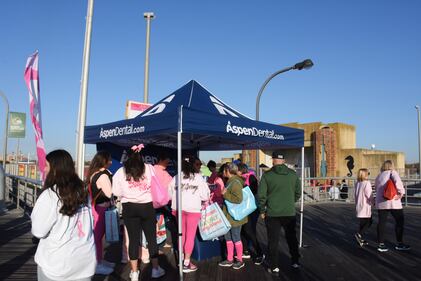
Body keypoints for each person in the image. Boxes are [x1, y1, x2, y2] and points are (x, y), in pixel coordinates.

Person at [31, 149, 96, 281]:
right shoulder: (83, 192)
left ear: (56, 169)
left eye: (47, 166)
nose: (44, 170)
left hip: (57, 265)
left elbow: (38, 232)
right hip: (84, 262)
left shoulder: (50, 195)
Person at [112, 144, 165, 281]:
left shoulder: (121, 171)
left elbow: (116, 192)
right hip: (147, 207)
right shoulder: (149, 168)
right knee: (152, 239)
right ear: (141, 156)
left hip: (129, 208)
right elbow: (156, 184)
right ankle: (155, 269)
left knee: (133, 240)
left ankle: (134, 272)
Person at [258, 150, 301, 277]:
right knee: (291, 238)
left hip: (272, 213)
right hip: (289, 212)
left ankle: (274, 266)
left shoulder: (267, 175)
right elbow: (298, 193)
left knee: (273, 241)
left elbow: (261, 196)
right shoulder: (293, 174)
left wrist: (262, 210)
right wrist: (289, 201)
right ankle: (295, 261)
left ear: (273, 160)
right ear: (283, 161)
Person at [169, 156, 210, 273]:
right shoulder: (198, 178)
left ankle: (182, 259)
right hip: (192, 209)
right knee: (190, 236)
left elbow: (169, 192)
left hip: (178, 209)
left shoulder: (176, 177)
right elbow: (205, 195)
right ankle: (186, 262)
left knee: (181, 234)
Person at [85, 151, 115, 275]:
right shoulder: (103, 175)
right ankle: (97, 264)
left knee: (97, 237)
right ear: (104, 161)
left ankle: (99, 260)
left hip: (95, 208)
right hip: (102, 209)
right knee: (98, 238)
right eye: (109, 160)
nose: (111, 162)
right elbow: (110, 193)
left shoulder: (94, 173)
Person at [375, 160, 410, 252]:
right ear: (391, 166)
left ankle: (381, 244)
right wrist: (401, 193)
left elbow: (376, 187)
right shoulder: (392, 172)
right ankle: (399, 243)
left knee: (381, 223)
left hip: (381, 202)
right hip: (393, 202)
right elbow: (398, 183)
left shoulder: (379, 175)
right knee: (399, 221)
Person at [218, 162, 247, 270]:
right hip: (230, 216)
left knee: (235, 237)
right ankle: (230, 259)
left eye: (224, 170)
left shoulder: (235, 182)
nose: (223, 172)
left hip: (235, 216)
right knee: (228, 237)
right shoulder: (231, 181)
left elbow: (238, 199)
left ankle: (239, 260)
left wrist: (225, 194)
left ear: (228, 171)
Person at [237, 163, 264, 265]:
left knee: (249, 229)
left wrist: (242, 188)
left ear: (242, 170)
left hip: (252, 208)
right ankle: (246, 250)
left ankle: (259, 252)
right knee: (243, 229)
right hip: (244, 208)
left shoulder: (251, 177)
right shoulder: (239, 178)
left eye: (237, 170)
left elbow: (254, 190)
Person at [354, 168, 373, 247]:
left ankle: (360, 239)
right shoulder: (366, 183)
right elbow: (369, 195)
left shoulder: (357, 183)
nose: (368, 175)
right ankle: (359, 234)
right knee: (369, 221)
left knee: (362, 223)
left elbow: (355, 195)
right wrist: (373, 202)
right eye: (367, 173)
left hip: (359, 205)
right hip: (365, 205)